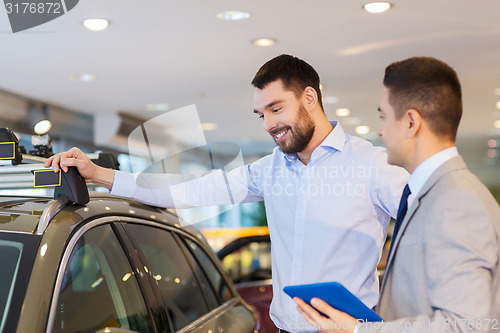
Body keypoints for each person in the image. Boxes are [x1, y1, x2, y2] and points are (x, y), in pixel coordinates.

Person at [46, 54, 409, 333]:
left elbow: (430, 235)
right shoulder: (270, 170)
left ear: (310, 97)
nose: (268, 124)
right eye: (260, 114)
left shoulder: (373, 165)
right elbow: (188, 189)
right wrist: (101, 174)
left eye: (276, 108)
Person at [294, 56, 500, 332]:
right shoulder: (431, 193)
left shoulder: (457, 201)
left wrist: (357, 330)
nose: (380, 130)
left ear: (411, 122)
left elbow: (466, 326)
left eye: (384, 116)